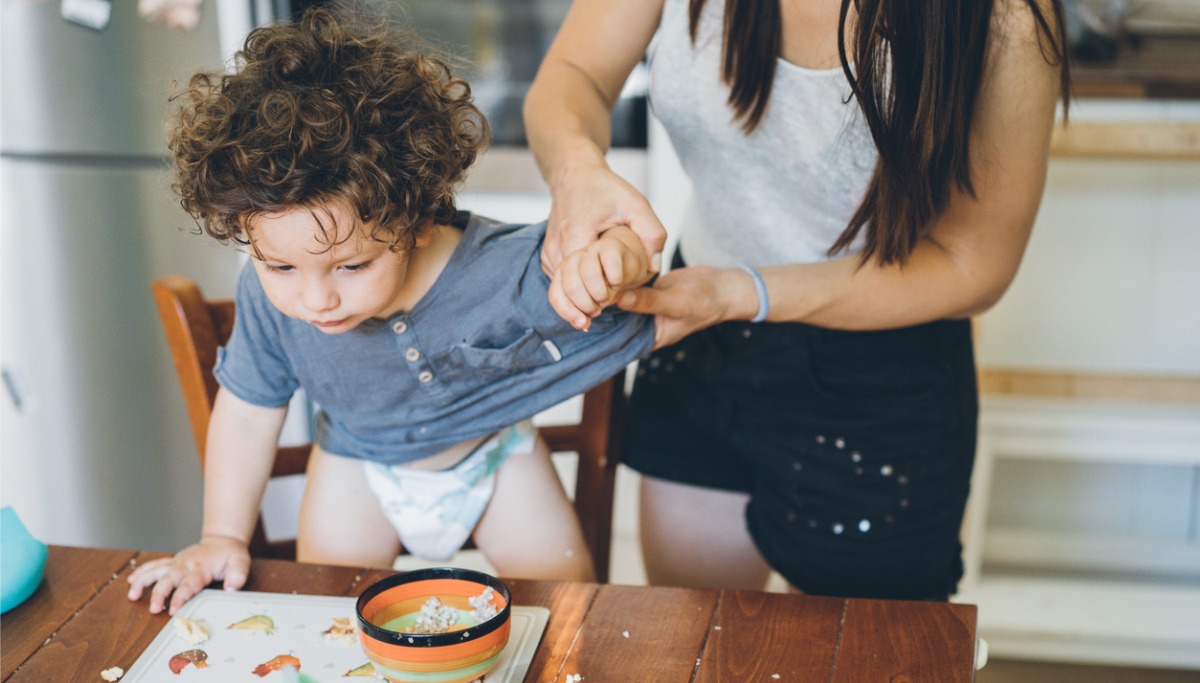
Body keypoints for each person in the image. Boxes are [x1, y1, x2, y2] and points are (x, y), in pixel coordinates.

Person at [524, 0, 1071, 600]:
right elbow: (575, 72)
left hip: (880, 373)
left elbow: (974, 265)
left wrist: (738, 292)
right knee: (699, 641)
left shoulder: (1004, 16)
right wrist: (576, 170)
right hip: (700, 335)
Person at [127, 7, 654, 616]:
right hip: (355, 465)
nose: (315, 299)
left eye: (351, 267)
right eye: (281, 268)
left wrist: (615, 256)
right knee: (329, 614)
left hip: (494, 457)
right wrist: (221, 536)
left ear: (418, 220)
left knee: (568, 611)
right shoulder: (268, 300)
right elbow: (247, 414)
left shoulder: (501, 267)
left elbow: (618, 254)